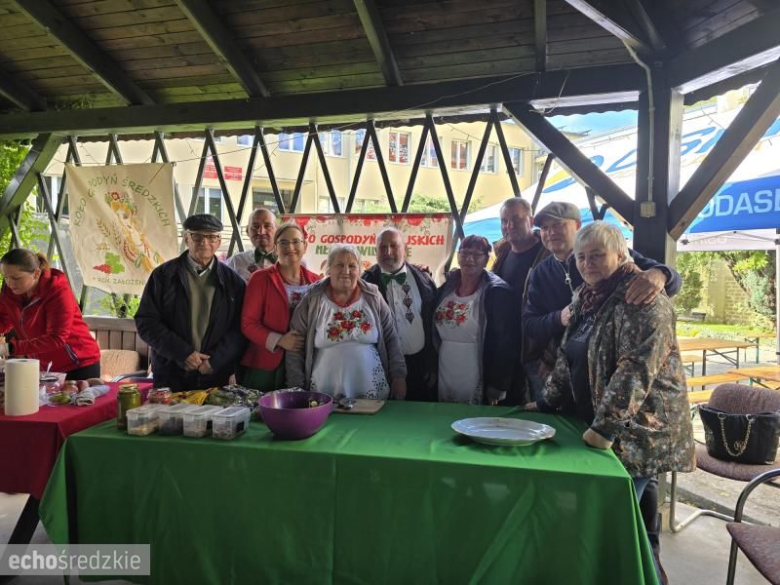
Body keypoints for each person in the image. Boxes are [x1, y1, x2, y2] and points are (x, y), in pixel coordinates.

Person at [530, 221, 694, 585]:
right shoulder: (587, 297)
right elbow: (566, 355)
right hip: (609, 428)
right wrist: (547, 401)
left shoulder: (641, 296)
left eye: (597, 255)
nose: (587, 264)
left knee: (610, 522)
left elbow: (634, 369)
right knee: (637, 525)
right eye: (582, 257)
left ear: (621, 255)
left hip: (639, 432)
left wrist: (603, 428)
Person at [523, 202, 682, 400]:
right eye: (545, 228)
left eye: (558, 225)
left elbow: (669, 279)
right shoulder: (541, 272)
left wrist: (662, 274)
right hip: (562, 368)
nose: (550, 232)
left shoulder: (612, 252)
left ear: (577, 225)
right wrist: (559, 318)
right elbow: (529, 324)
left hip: (614, 372)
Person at [135, 214, 247, 391]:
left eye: (211, 237)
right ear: (187, 238)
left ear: (218, 242)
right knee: (168, 419)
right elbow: (146, 321)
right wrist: (182, 353)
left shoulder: (233, 282)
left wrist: (215, 361)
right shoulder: (163, 276)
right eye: (197, 236)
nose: (205, 242)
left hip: (215, 375)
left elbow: (239, 329)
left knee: (214, 419)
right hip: (170, 373)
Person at [286, 244, 406, 400]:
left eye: (352, 266)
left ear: (360, 270)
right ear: (329, 268)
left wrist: (399, 376)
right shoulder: (313, 297)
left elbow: (391, 338)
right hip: (325, 386)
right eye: (340, 265)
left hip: (370, 384)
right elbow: (295, 346)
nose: (346, 271)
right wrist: (297, 388)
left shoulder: (373, 296)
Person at [434, 236, 517, 405]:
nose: (469, 259)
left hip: (476, 365)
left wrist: (498, 383)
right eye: (465, 253)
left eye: (477, 254)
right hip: (445, 364)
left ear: (487, 259)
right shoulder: (447, 286)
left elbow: (506, 341)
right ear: (458, 256)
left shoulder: (497, 292)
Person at [240, 222, 320, 392]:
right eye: (283, 242)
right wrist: (280, 340)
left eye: (296, 241)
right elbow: (248, 324)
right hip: (267, 366)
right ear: (275, 249)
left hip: (306, 363)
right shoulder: (260, 278)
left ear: (305, 246)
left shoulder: (317, 282)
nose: (290, 247)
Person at [0, 249, 101, 380]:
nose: (9, 283)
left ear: (36, 274)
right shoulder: (10, 292)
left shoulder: (57, 291)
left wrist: (9, 348)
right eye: (5, 277)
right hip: (43, 365)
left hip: (78, 363)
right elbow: (3, 319)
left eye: (16, 278)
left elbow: (57, 338)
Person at [362, 227, 438, 402]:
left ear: (404, 248)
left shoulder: (424, 279)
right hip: (382, 366)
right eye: (383, 247)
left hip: (421, 367)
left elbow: (433, 324)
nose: (388, 252)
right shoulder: (366, 282)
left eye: (394, 246)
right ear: (376, 251)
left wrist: (432, 363)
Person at [490, 197, 548, 405]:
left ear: (531, 221)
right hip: (507, 351)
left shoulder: (549, 252)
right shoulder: (503, 254)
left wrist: (550, 355)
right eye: (504, 220)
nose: (509, 225)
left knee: (541, 414)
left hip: (537, 353)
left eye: (516, 218)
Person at [226, 207, 278, 281]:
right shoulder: (235, 262)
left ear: (277, 231)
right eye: (255, 227)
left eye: (267, 226)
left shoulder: (292, 262)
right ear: (247, 231)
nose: (261, 232)